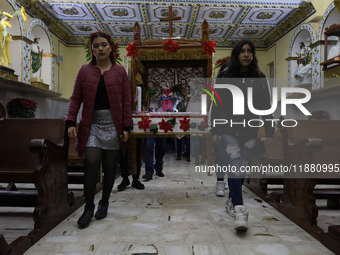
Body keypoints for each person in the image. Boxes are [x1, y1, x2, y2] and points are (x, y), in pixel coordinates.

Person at [66, 31, 132, 228]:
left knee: (111, 166)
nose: (100, 48)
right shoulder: (84, 71)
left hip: (114, 123)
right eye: (96, 45)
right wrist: (70, 121)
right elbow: (76, 98)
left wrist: (127, 126)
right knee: (92, 162)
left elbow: (126, 101)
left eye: (104, 45)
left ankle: (104, 202)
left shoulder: (120, 71)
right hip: (92, 123)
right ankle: (88, 207)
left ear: (110, 47)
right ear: (91, 49)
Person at [210, 40, 275, 231]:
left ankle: (231, 200)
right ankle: (240, 209)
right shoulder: (225, 76)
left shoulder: (259, 78)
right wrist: (214, 130)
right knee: (235, 163)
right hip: (227, 128)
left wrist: (270, 130)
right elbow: (217, 104)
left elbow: (266, 105)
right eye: (242, 51)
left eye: (249, 51)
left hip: (249, 130)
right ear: (236, 54)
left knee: (240, 167)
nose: (246, 54)